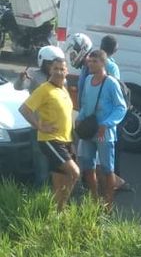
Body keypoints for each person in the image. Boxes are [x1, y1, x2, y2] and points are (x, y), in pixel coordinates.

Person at [69, 32, 132, 193]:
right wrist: (81, 116)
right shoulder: (88, 66)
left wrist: (108, 122)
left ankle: (111, 193)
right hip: (89, 121)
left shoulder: (109, 69)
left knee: (106, 165)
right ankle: (96, 195)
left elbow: (118, 100)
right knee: (88, 160)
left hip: (104, 124)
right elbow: (86, 93)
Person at [18, 57, 80, 210]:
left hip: (65, 142)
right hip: (50, 140)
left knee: (60, 181)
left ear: (67, 71)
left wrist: (71, 143)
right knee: (74, 172)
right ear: (51, 70)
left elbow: (66, 118)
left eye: (62, 69)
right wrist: (39, 125)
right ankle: (61, 208)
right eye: (56, 68)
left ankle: (57, 213)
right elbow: (24, 109)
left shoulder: (63, 89)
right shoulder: (44, 89)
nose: (59, 72)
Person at [76, 49, 128, 212]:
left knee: (107, 169)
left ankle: (108, 204)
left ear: (103, 63)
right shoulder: (88, 80)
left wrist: (107, 123)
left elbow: (121, 107)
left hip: (104, 134)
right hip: (88, 130)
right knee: (88, 166)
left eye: (95, 61)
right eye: (89, 61)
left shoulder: (111, 83)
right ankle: (94, 199)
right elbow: (85, 104)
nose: (91, 64)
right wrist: (79, 118)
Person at [15, 44, 66, 188]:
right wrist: (21, 78)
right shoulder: (34, 74)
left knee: (57, 167)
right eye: (50, 63)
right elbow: (19, 87)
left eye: (56, 64)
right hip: (40, 129)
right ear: (42, 62)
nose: (53, 67)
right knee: (41, 168)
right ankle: (40, 202)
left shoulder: (60, 77)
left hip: (57, 130)